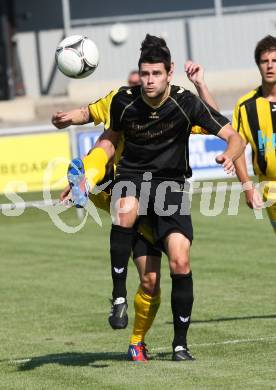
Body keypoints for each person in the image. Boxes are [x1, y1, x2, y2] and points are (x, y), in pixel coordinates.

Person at [53, 34, 245, 361]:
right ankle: (117, 297)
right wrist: (65, 119)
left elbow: (228, 131)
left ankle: (173, 344)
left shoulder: (184, 104)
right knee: (125, 204)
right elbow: (94, 121)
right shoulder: (124, 102)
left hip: (170, 192)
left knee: (170, 269)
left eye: (155, 74)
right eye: (144, 74)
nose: (148, 80)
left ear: (169, 73)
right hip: (129, 183)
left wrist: (229, 152)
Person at [233, 35, 276, 231]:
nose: (270, 66)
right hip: (270, 188)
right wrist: (248, 187)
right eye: (264, 61)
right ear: (258, 65)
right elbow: (237, 149)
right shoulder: (245, 106)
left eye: (275, 61)